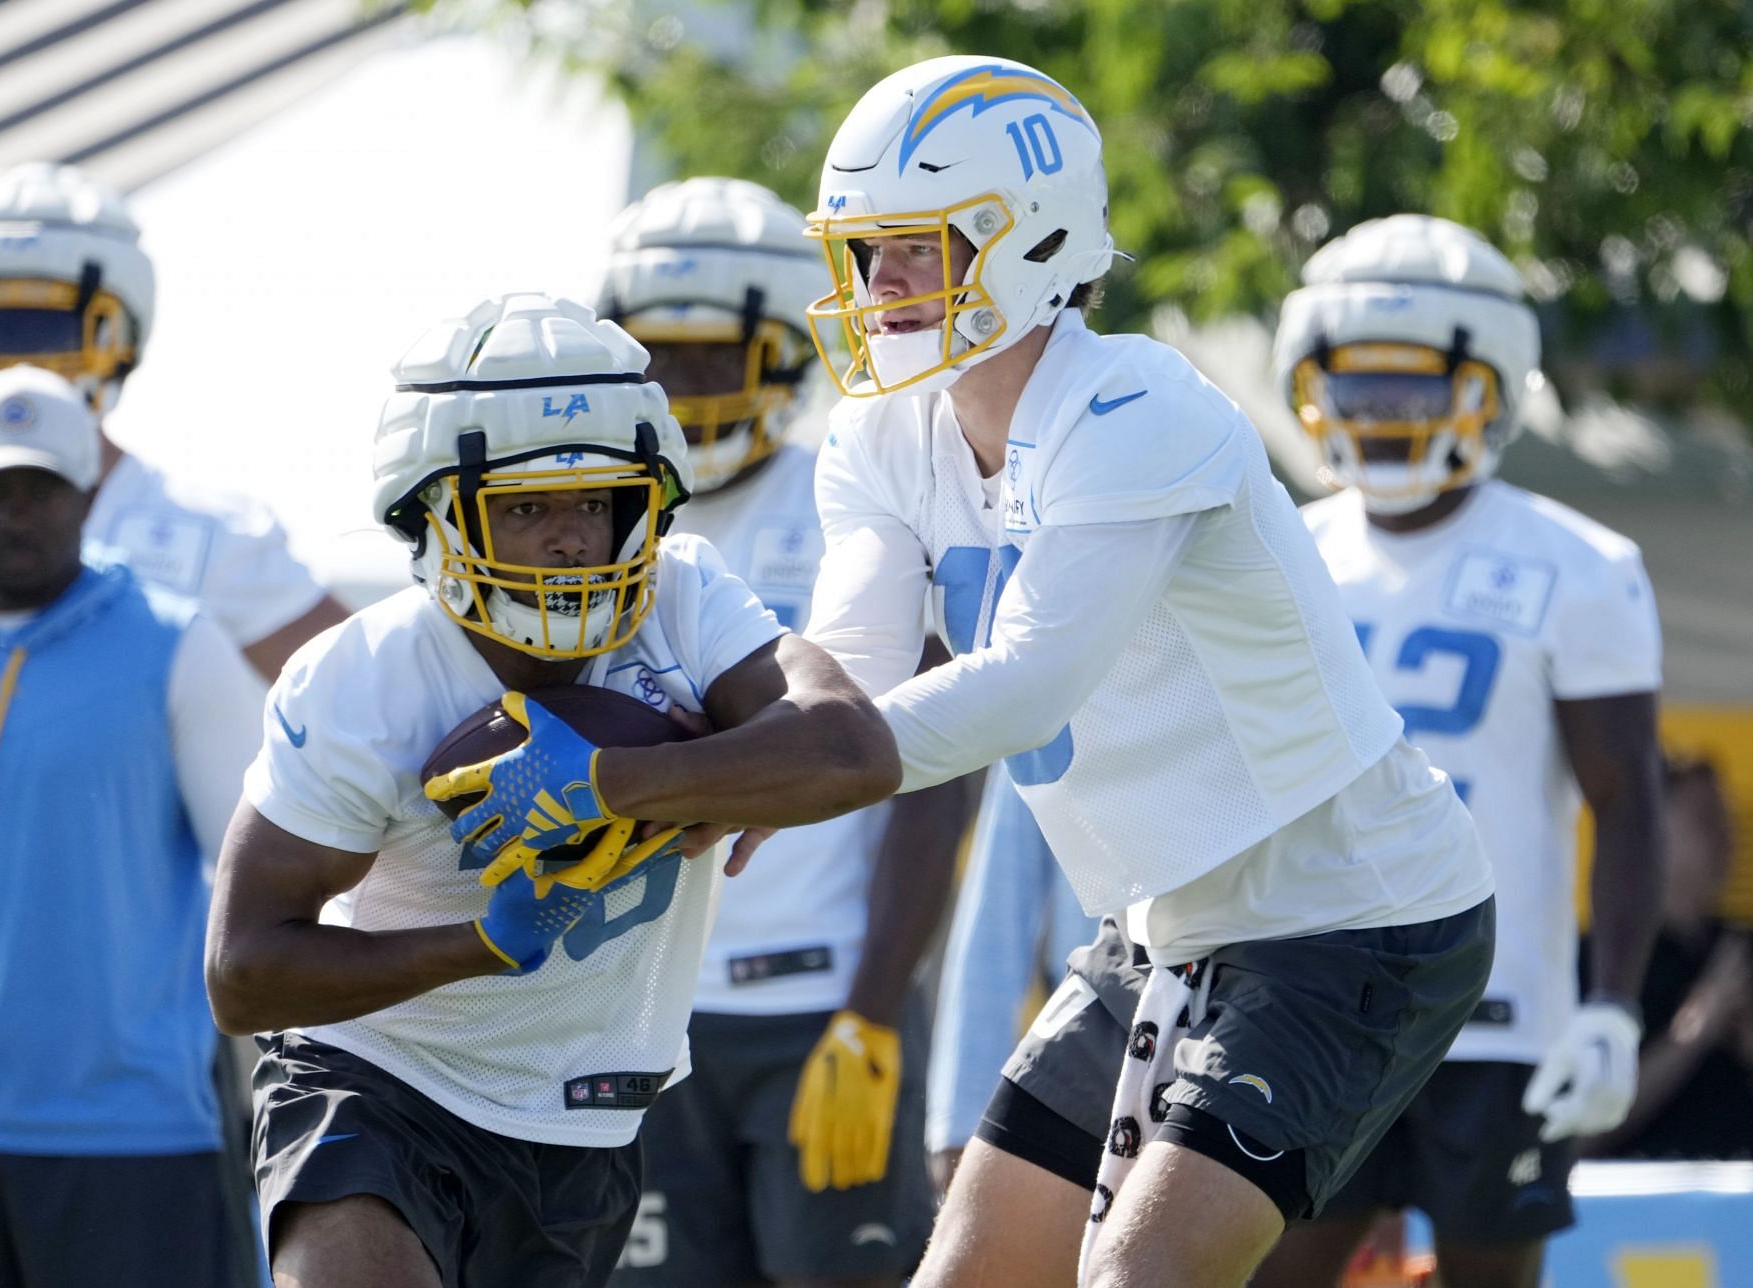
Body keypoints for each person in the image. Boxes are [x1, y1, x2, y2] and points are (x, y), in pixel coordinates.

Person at [437, 56, 1496, 1288]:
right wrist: (707, 769)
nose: (878, 286)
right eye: (865, 252)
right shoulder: (884, 434)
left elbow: (1017, 688)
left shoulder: (1136, 404)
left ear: (1035, 241)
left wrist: (633, 778)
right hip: (1160, 923)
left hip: (1349, 915)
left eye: (915, 249)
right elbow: (841, 683)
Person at [203, 293, 899, 1288]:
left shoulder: (685, 594)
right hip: (377, 1085)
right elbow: (244, 971)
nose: (571, 540)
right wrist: (480, 945)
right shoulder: (363, 679)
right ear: (437, 509)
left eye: (597, 503)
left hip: (586, 1115)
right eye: (525, 508)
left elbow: (852, 749)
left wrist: (618, 783)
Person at [1246, 213, 1666, 1288]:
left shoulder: (1578, 563)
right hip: (1319, 1006)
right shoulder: (1279, 553)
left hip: (1500, 1012)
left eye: (1412, 390)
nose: (1382, 418)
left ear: (1489, 385)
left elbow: (1627, 800)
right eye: (1359, 388)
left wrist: (1615, 1002)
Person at [595, 176, 979, 1288]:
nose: (691, 384)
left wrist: (873, 1009)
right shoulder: (589, 515)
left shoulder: (854, 488)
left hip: (818, 1006)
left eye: (723, 354)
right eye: (664, 355)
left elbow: (931, 772)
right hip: (643, 1013)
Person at [0, 366, 260, 1287]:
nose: (15, 513)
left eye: (42, 489)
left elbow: (257, 887)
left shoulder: (180, 648)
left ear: (88, 494)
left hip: (135, 1135)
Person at [0, 160, 347, 672]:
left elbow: (380, 709)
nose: (21, 366)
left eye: (50, 332)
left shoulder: (217, 540)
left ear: (118, 341)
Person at [925, 771, 1097, 1199]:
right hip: (1095, 1063)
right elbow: (1000, 909)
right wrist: (965, 1118)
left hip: (1253, 1037)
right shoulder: (1051, 708)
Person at [1586, 754, 1753, 1160]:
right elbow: (1580, 1132)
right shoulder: (1604, 959)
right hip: (1641, 1206)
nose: (1723, 834)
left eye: (1724, 818)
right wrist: (1696, 1029)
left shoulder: (1740, 949)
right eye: (1703, 818)